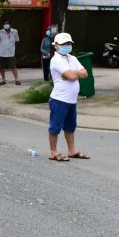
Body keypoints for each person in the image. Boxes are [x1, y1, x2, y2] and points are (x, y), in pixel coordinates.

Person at [47, 32, 89, 162]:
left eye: (69, 44)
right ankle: (53, 152)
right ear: (56, 46)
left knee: (70, 126)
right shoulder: (56, 60)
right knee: (55, 127)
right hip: (59, 99)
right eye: (64, 44)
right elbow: (72, 76)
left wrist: (73, 73)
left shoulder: (72, 58)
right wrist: (75, 73)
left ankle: (72, 151)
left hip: (71, 100)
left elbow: (85, 73)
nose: (67, 46)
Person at [0, 20, 21, 85]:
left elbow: (17, 40)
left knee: (13, 66)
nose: (6, 25)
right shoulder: (0, 32)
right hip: (1, 52)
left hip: (10, 52)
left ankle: (16, 80)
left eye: (7, 24)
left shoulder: (15, 31)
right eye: (4, 24)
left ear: (10, 24)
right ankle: (3, 80)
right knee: (1, 67)